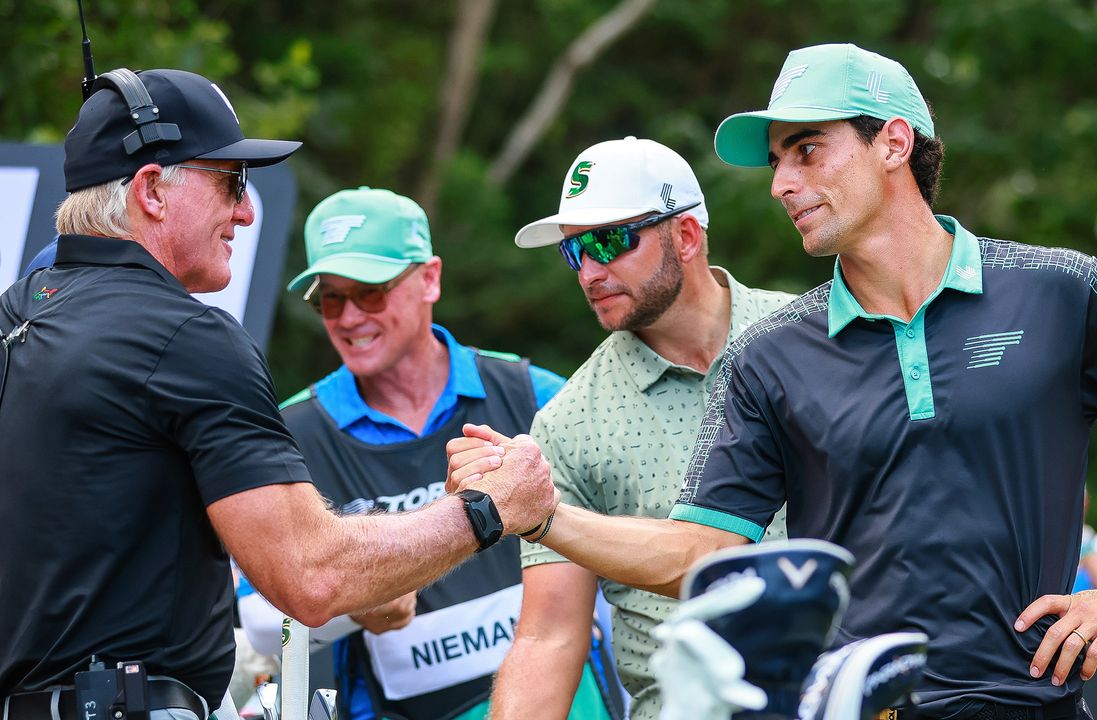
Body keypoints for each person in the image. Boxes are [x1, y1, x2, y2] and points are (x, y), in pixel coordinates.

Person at [449, 44, 1097, 719]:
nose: (780, 184)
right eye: (777, 162)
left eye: (808, 150)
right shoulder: (768, 354)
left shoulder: (1059, 290)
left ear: (895, 144)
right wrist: (544, 517)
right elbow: (705, 551)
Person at [0, 68, 556, 720]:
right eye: (229, 182)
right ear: (151, 191)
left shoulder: (14, 315)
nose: (246, 210)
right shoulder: (184, 335)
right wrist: (485, 511)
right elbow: (312, 578)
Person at [244, 186, 611, 720]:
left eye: (370, 292)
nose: (349, 318)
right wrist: (355, 608)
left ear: (430, 279)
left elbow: (629, 529)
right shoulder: (289, 433)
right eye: (330, 299)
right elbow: (257, 619)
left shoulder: (531, 391)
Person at [484, 137, 793, 720]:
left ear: (686, 236)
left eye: (608, 241)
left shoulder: (818, 337)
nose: (590, 272)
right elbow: (549, 636)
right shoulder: (568, 422)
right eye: (574, 252)